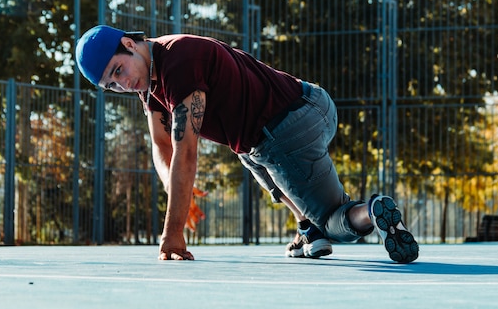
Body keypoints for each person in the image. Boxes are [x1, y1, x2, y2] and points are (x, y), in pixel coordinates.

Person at [75, 25, 419, 263]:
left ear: (130, 44)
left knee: (334, 219)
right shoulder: (149, 82)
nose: (122, 84)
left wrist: (173, 231)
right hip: (297, 110)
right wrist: (174, 189)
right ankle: (306, 228)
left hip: (288, 126)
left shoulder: (177, 62)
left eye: (118, 71)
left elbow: (186, 150)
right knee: (250, 156)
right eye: (112, 85)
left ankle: (371, 212)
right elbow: (161, 144)